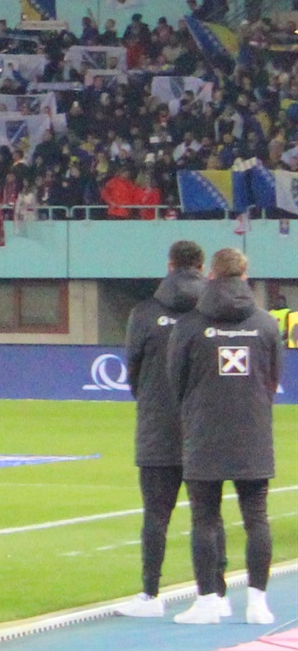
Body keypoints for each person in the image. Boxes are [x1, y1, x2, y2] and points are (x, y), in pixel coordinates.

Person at [173, 247, 279, 625]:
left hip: (204, 433)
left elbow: (176, 380)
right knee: (257, 519)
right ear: (245, 277)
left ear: (211, 276)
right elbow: (273, 380)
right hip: (253, 432)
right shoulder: (266, 324)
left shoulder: (190, 324)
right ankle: (258, 604)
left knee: (204, 518)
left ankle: (209, 601)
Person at [119, 241, 205, 615]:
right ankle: (213, 595)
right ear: (201, 267)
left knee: (155, 515)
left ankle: (151, 594)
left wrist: (152, 401)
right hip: (203, 427)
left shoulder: (145, 312)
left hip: (157, 425)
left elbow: (133, 370)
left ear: (170, 265)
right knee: (208, 515)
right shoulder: (212, 314)